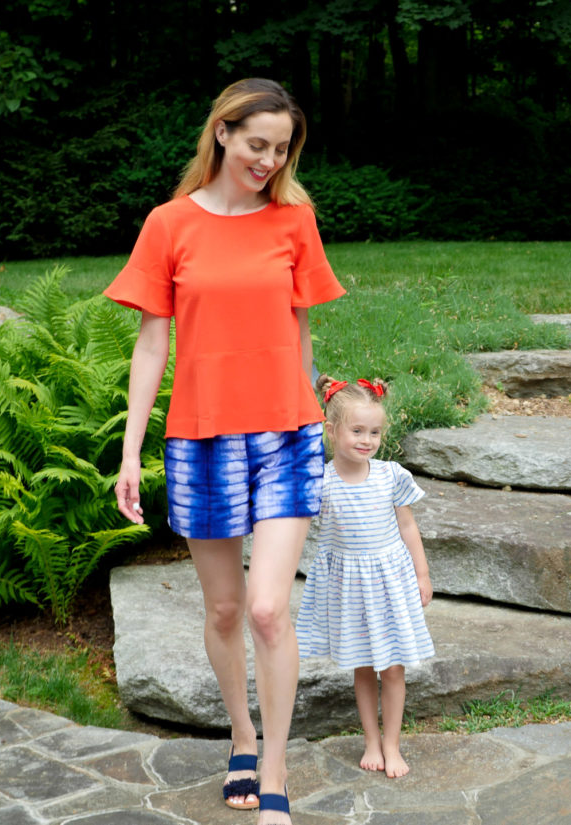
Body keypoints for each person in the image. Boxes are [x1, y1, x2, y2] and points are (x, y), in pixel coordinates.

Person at [105, 78, 345, 825]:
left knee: (270, 608)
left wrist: (318, 415)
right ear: (222, 133)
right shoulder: (169, 224)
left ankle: (273, 764)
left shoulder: (295, 221)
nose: (269, 160)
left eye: (281, 149)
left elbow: (303, 330)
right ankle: (241, 734)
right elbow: (152, 343)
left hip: (287, 435)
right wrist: (130, 450)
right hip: (200, 438)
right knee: (224, 607)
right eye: (256, 145)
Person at [295, 375, 435, 779]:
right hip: (349, 590)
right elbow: (301, 530)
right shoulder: (321, 482)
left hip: (390, 583)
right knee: (361, 665)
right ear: (331, 429)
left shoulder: (390, 475)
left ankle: (392, 744)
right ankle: (371, 740)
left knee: (392, 667)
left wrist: (421, 574)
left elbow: (408, 527)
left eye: (374, 432)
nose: (366, 439)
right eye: (357, 430)